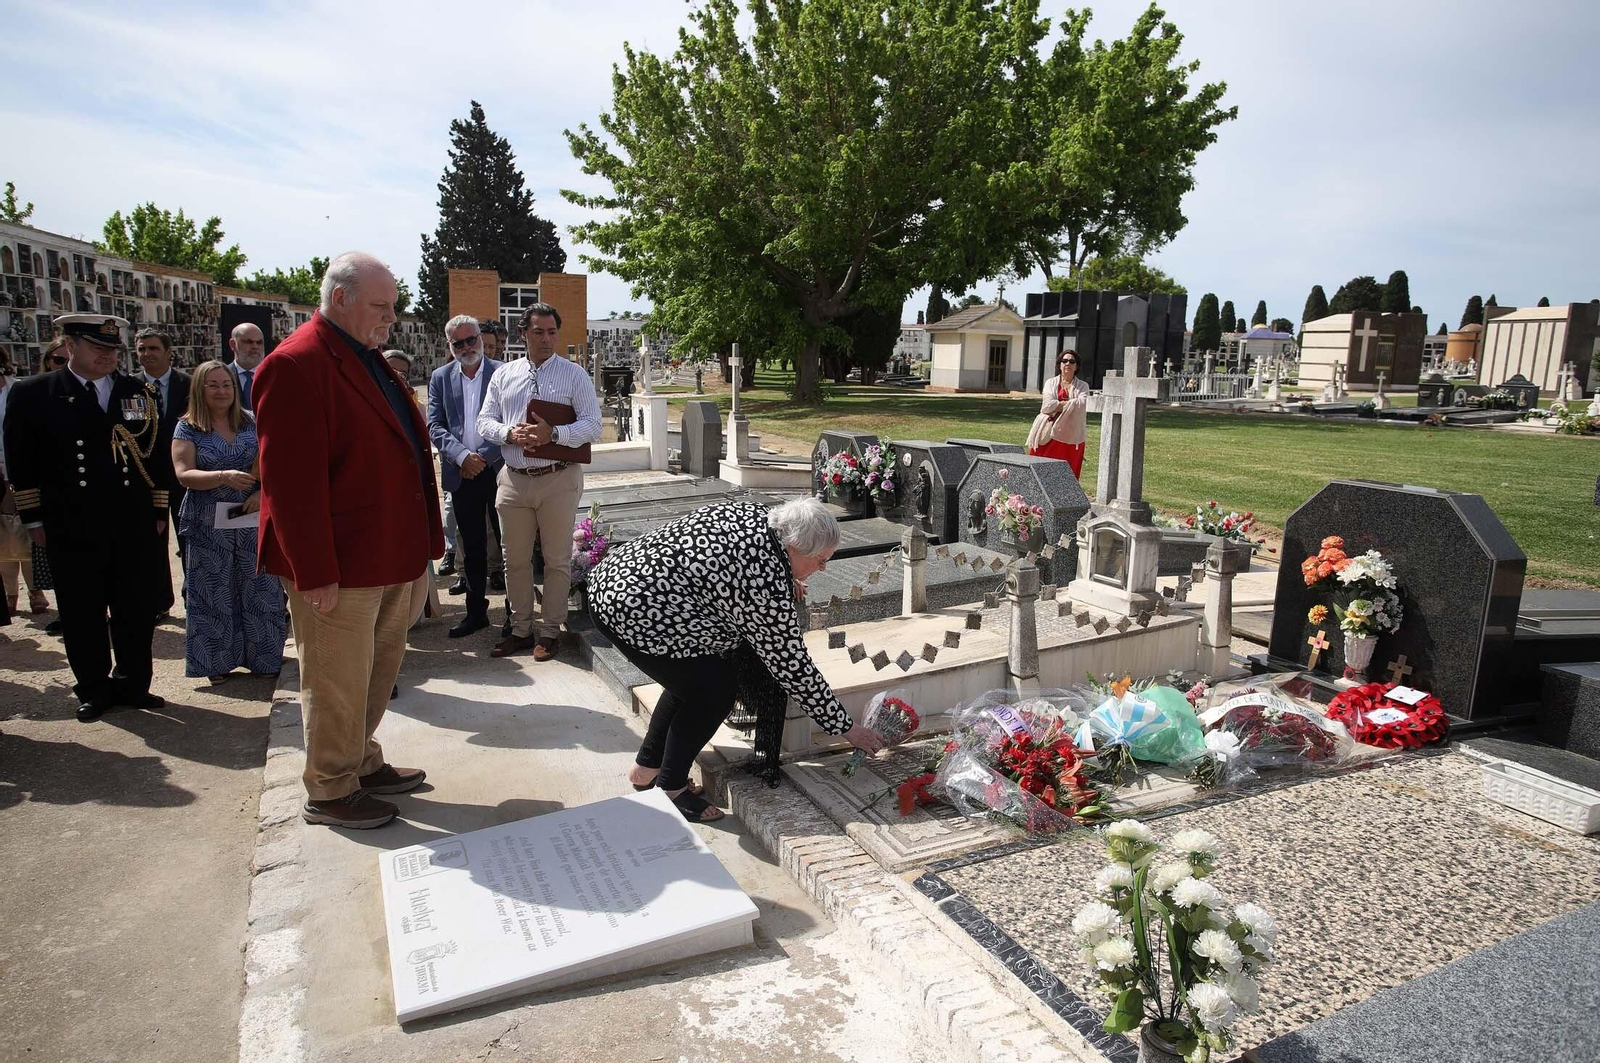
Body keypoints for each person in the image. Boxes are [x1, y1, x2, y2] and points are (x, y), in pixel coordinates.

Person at [255, 252, 443, 830]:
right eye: (381, 306)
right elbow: (290, 485)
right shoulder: (296, 364)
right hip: (339, 563)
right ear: (341, 298)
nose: (391, 318)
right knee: (336, 678)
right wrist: (315, 571)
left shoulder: (364, 358)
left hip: (388, 550)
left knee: (376, 670)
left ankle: (358, 760)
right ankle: (331, 789)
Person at [587, 498, 885, 822]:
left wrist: (788, 576)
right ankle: (671, 789)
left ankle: (645, 769)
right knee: (712, 692)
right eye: (821, 561)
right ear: (795, 547)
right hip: (636, 612)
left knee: (691, 678)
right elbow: (793, 666)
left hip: (618, 580)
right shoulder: (764, 583)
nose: (822, 569)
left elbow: (732, 567)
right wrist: (845, 727)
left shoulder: (761, 516)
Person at [3, 314, 173, 721]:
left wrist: (158, 507)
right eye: (98, 348)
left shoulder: (138, 391)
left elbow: (155, 452)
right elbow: (21, 460)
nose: (107, 356)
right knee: (83, 610)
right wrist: (32, 519)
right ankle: (94, 687)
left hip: (130, 518)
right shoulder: (35, 393)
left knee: (134, 607)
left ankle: (134, 683)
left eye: (113, 349)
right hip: (71, 521)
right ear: (70, 344)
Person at [476, 303, 599, 661]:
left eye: (552, 332)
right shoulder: (504, 375)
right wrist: (508, 433)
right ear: (523, 334)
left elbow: (592, 424)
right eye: (538, 332)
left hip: (557, 477)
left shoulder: (574, 375)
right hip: (514, 479)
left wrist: (554, 433)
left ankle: (549, 631)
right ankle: (520, 628)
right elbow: (485, 421)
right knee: (514, 559)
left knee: (556, 559)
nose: (546, 339)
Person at [171, 360, 285, 682]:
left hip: (252, 518)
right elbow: (183, 474)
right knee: (213, 594)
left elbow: (273, 459)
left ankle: (265, 660)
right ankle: (215, 663)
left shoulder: (252, 420)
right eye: (213, 385)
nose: (222, 391)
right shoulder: (188, 427)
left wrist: (261, 490)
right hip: (208, 523)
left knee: (261, 590)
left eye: (227, 385)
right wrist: (221, 476)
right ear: (199, 389)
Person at [428, 316, 505, 638]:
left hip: (498, 470)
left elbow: (510, 418)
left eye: (470, 340)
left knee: (508, 545)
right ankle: (476, 613)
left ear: (480, 338)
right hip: (462, 473)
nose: (466, 347)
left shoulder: (502, 372)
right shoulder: (440, 377)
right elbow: (435, 424)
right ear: (450, 346)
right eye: (457, 343)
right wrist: (462, 456)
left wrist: (482, 458)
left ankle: (517, 616)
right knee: (472, 547)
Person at [136, 327, 190, 610]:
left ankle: (191, 595)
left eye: (153, 348)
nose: (147, 354)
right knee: (152, 542)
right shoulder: (128, 387)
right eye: (142, 349)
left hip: (184, 477)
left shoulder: (189, 385)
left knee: (189, 538)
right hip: (146, 478)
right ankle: (159, 601)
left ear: (169, 353)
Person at [0, 354, 49, 616]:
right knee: (3, 540)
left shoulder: (18, 390)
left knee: (27, 535)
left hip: (17, 474)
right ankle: (9, 593)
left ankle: (35, 590)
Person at [1026, 348, 1091, 477]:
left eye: (1072, 361)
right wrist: (1070, 403)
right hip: (1048, 433)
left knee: (1067, 474)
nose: (1068, 364)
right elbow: (1047, 405)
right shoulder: (1050, 383)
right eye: (1064, 361)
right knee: (1040, 470)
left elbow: (1083, 404)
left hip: (1071, 436)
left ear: (1076, 366)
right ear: (1059, 364)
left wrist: (1058, 405)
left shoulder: (1083, 386)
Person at [228, 322, 266, 411]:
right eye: (248, 342)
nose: (255, 347)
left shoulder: (273, 377)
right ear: (233, 344)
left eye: (259, 342)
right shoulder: (223, 376)